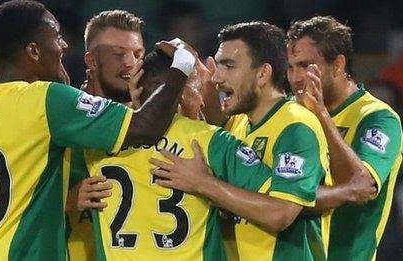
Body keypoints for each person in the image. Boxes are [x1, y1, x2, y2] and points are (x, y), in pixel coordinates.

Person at [0, 1, 195, 260]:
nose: (63, 45)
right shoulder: (47, 100)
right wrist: (183, 64)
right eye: (56, 37)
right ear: (34, 51)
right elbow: (144, 128)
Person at [150, 22, 330, 260]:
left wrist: (203, 183)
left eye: (229, 66)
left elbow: (281, 213)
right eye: (217, 66)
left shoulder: (296, 126)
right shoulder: (240, 125)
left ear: (263, 74)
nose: (217, 78)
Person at [82, 47, 266, 260]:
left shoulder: (97, 142)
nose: (203, 97)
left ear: (136, 90)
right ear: (182, 91)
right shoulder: (210, 141)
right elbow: (279, 204)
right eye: (197, 87)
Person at [286, 16, 402, 260]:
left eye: (306, 65)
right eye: (291, 67)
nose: (296, 78)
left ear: (338, 65)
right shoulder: (290, 113)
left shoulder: (378, 118)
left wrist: (321, 115)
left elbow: (360, 186)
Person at [64, 10, 146, 261]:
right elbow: (8, 194)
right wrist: (64, 200)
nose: (131, 63)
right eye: (118, 54)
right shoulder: (62, 121)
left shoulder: (161, 122)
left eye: (138, 54)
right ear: (91, 61)